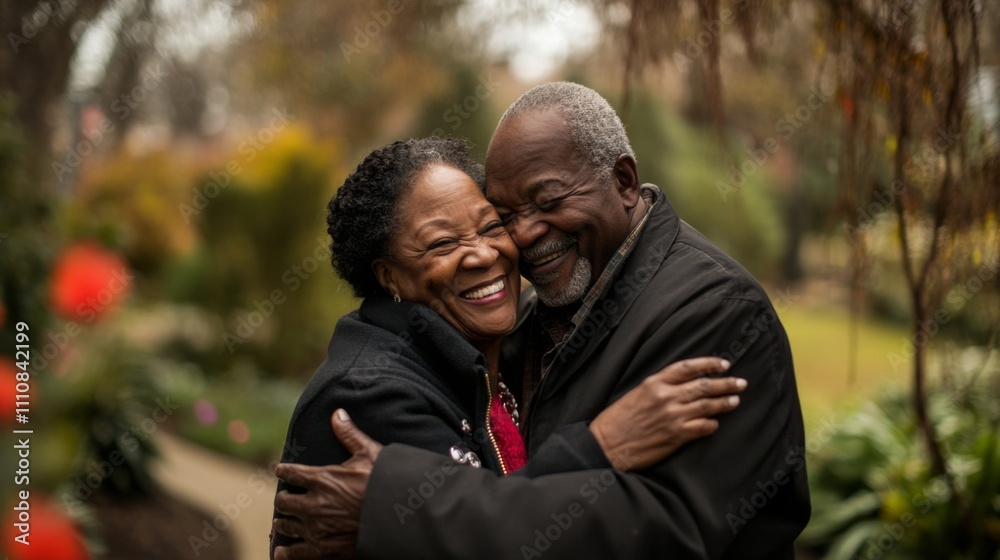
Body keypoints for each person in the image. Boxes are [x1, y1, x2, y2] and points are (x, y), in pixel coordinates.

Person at [273, 83, 811, 559]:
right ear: (388, 274)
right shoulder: (519, 323)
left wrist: (399, 511)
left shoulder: (716, 313)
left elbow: (665, 532)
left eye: (547, 201)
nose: (523, 234)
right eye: (507, 215)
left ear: (624, 181)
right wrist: (599, 445)